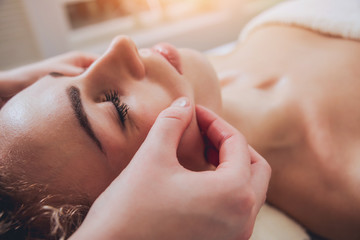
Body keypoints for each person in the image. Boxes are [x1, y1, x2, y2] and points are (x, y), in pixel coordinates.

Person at [1, 0, 360, 239]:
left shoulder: (213, 67)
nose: (121, 45)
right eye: (114, 105)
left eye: (65, 75)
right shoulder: (348, 186)